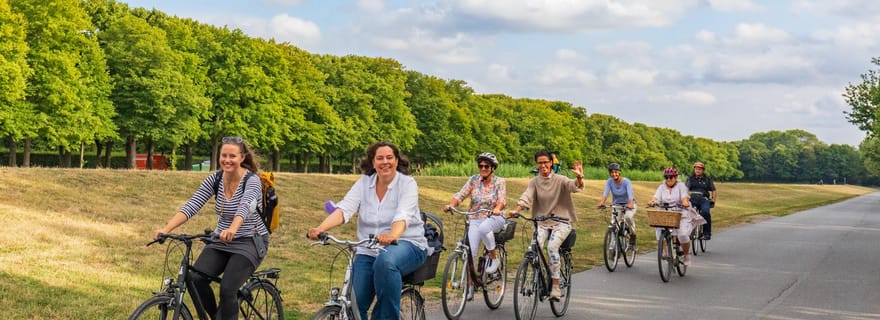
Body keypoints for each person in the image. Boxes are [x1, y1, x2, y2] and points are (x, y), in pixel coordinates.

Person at [307, 141, 428, 320]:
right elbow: (345, 209)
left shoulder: (407, 183)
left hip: (408, 244)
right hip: (368, 249)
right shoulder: (364, 183)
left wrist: (393, 235)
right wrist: (321, 228)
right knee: (355, 304)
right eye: (379, 158)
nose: (385, 162)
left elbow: (403, 214)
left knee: (385, 262)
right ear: (373, 162)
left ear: (396, 161)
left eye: (389, 157)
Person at [152, 136, 269, 320]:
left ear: (242, 158)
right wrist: (166, 229)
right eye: (224, 155)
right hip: (221, 239)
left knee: (228, 289)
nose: (227, 160)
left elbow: (246, 206)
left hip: (250, 241)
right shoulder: (215, 179)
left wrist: (233, 228)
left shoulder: (252, 180)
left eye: (232, 156)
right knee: (197, 279)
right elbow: (192, 205)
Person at [508, 149, 584, 300]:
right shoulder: (534, 182)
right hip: (542, 223)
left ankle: (555, 286)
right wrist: (516, 210)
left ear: (551, 163)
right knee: (534, 247)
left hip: (561, 222)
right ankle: (539, 275)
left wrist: (579, 178)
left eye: (545, 162)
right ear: (537, 164)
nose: (542, 165)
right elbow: (526, 197)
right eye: (539, 163)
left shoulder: (560, 179)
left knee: (552, 247)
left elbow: (573, 186)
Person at [443, 152, 507, 300]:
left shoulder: (499, 182)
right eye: (480, 165)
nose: (483, 168)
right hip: (475, 218)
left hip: (494, 217)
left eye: (486, 166)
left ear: (492, 168)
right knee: (470, 253)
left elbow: (502, 200)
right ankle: (470, 286)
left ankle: (494, 258)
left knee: (485, 228)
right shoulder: (474, 180)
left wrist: (498, 208)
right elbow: (461, 194)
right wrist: (451, 205)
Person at [647, 167, 706, 267]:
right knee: (659, 228)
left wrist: (685, 202)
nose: (669, 179)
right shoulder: (662, 187)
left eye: (671, 177)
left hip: (681, 213)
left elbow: (684, 197)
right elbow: (655, 197)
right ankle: (664, 252)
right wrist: (652, 201)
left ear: (676, 177)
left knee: (682, 235)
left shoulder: (681, 186)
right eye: (666, 177)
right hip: (667, 214)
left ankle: (687, 255)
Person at [596, 162, 637, 248]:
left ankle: (633, 234)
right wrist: (602, 202)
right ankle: (612, 247)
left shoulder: (626, 182)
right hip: (617, 205)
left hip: (629, 204)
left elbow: (630, 195)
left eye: (616, 172)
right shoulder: (609, 181)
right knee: (613, 224)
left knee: (628, 217)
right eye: (612, 172)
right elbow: (606, 193)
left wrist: (630, 203)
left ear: (619, 172)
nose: (614, 174)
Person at [686, 161, 717, 240]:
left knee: (705, 212)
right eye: (696, 168)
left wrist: (713, 200)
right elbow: (686, 189)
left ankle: (706, 233)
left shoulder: (707, 179)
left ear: (703, 170)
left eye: (699, 169)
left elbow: (713, 190)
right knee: (689, 213)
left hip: (704, 198)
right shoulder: (690, 178)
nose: (697, 170)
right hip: (693, 198)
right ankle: (690, 231)